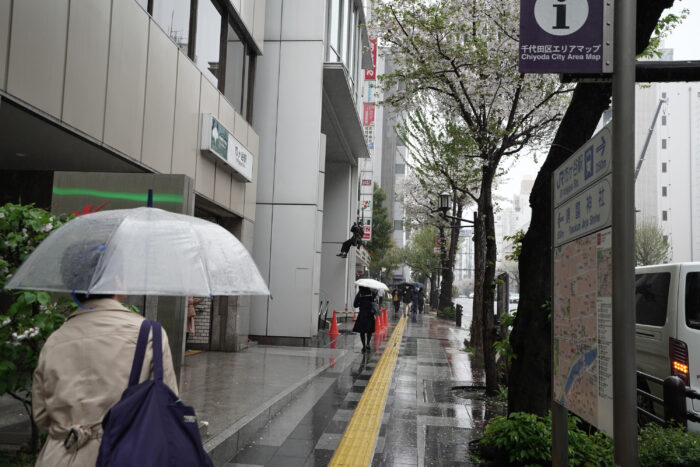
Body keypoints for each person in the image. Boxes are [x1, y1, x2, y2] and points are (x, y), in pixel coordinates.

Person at [32, 247, 179, 466]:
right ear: (116, 279)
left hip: (59, 456)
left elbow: (41, 416)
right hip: (126, 455)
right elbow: (167, 407)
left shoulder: (55, 340)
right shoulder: (150, 335)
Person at [352, 286, 376, 352]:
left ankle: (363, 346)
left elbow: (355, 305)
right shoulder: (371, 293)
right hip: (370, 314)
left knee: (362, 331)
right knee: (369, 330)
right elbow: (374, 303)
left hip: (362, 314)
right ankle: (368, 343)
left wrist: (360, 302)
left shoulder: (360, 294)